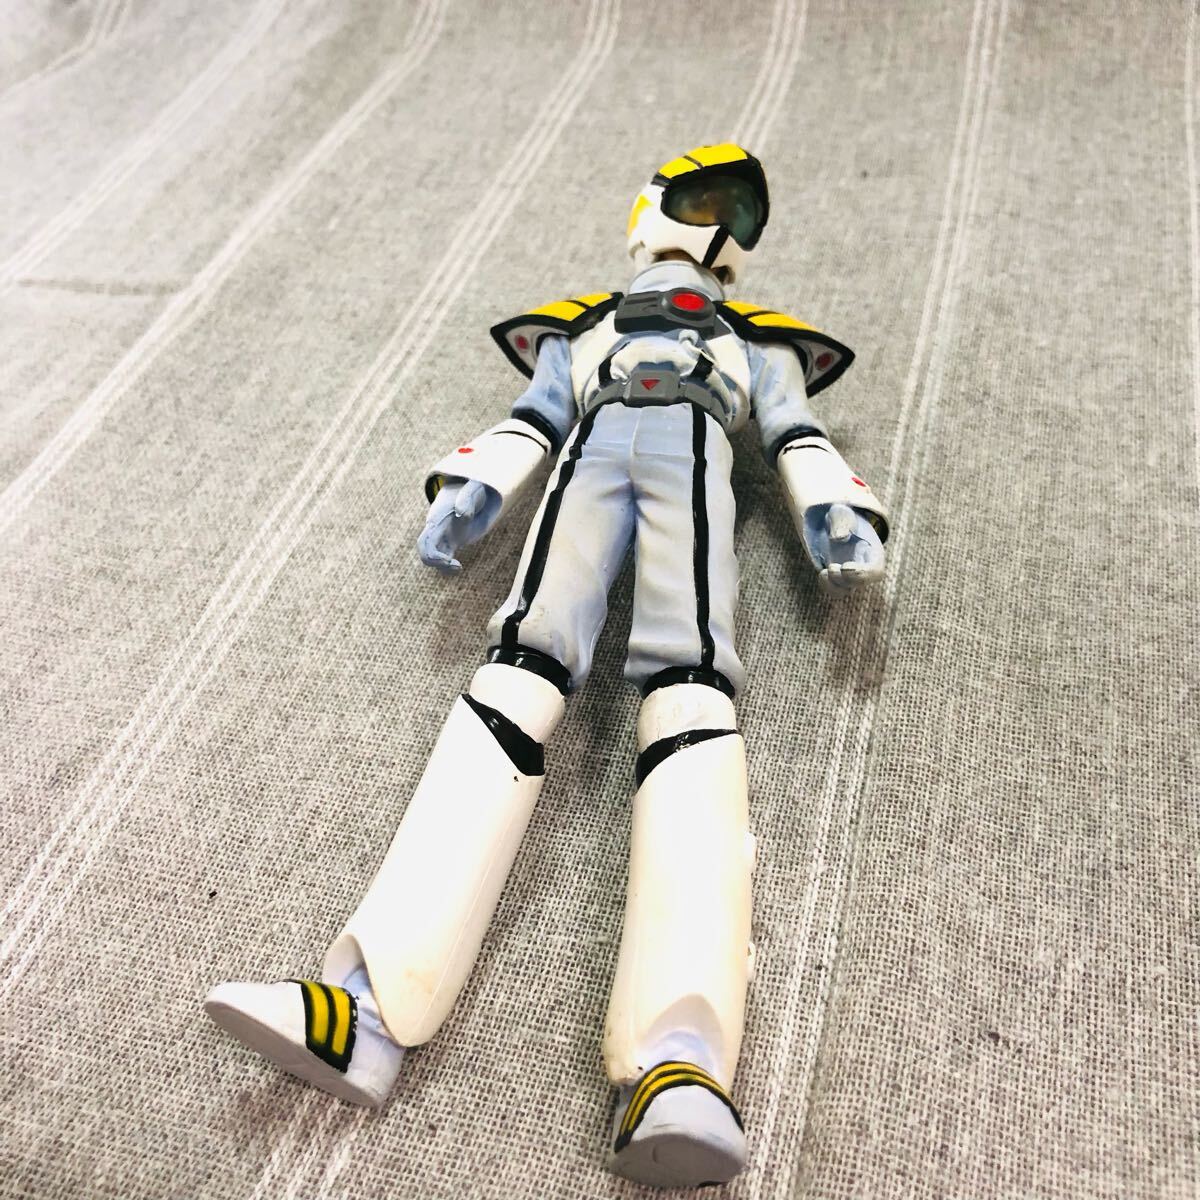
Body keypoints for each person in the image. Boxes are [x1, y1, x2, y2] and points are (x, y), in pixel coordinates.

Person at [204, 143, 888, 1189]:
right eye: (707, 199)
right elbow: (534, 417)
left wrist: (831, 504)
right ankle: (368, 1007)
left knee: (692, 699)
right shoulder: (584, 327)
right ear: (650, 208)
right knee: (516, 673)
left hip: (695, 473)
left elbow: (797, 429)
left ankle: (681, 1058)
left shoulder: (757, 340)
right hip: (587, 470)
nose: (723, 228)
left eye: (742, 215)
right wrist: (475, 487)